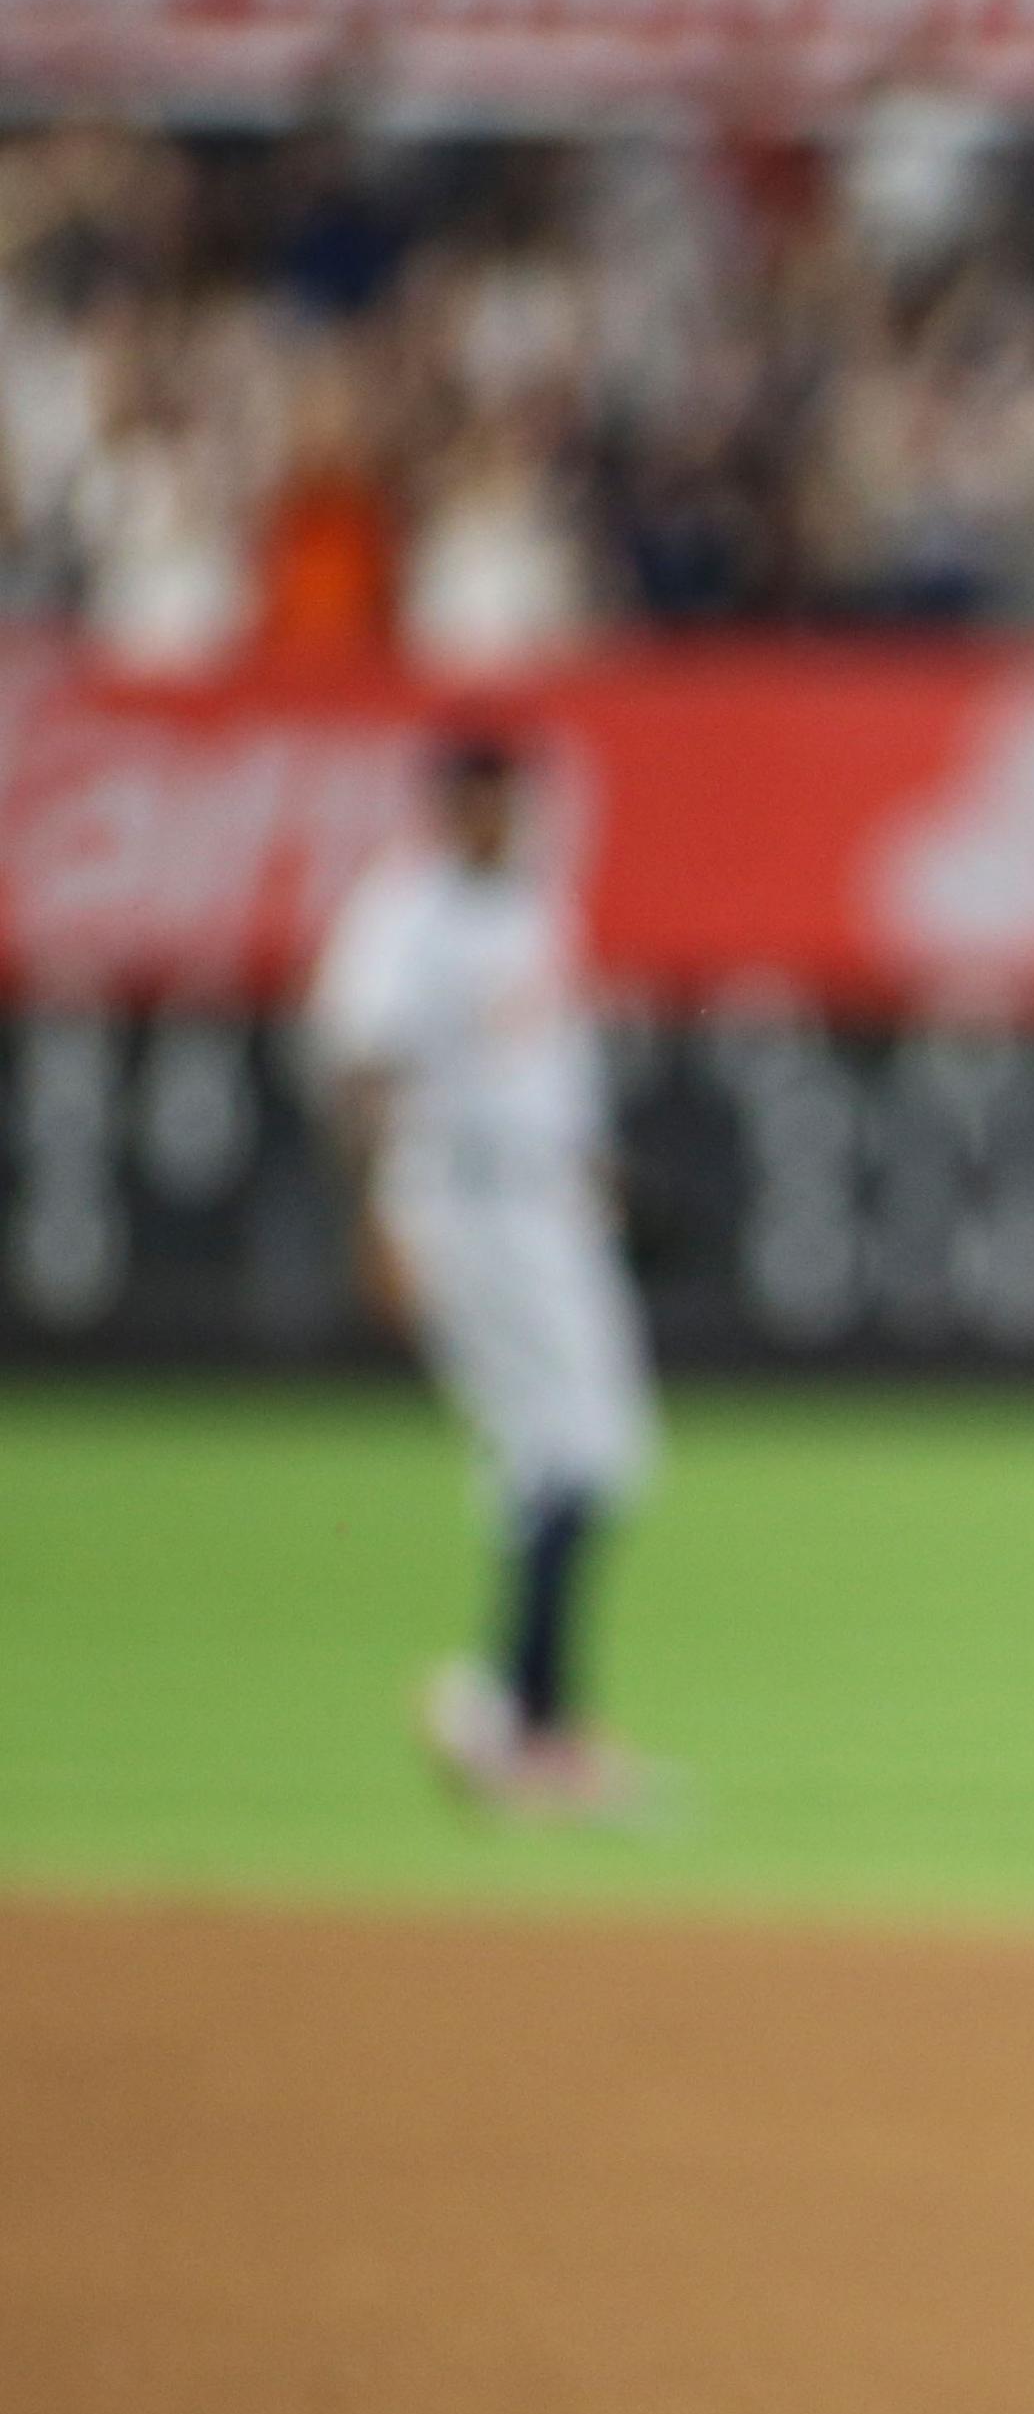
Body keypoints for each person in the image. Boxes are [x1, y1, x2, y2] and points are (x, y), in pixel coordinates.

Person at [308, 728, 660, 1817]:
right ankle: (520, 1716)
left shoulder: (532, 901)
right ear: (444, 805)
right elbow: (364, 1070)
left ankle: (521, 1714)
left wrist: (600, 1178)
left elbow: (552, 1064)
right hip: (464, 1203)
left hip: (545, 1203)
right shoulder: (403, 915)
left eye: (508, 800)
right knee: (581, 1453)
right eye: (479, 801)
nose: (499, 820)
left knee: (574, 1460)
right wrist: (376, 1216)